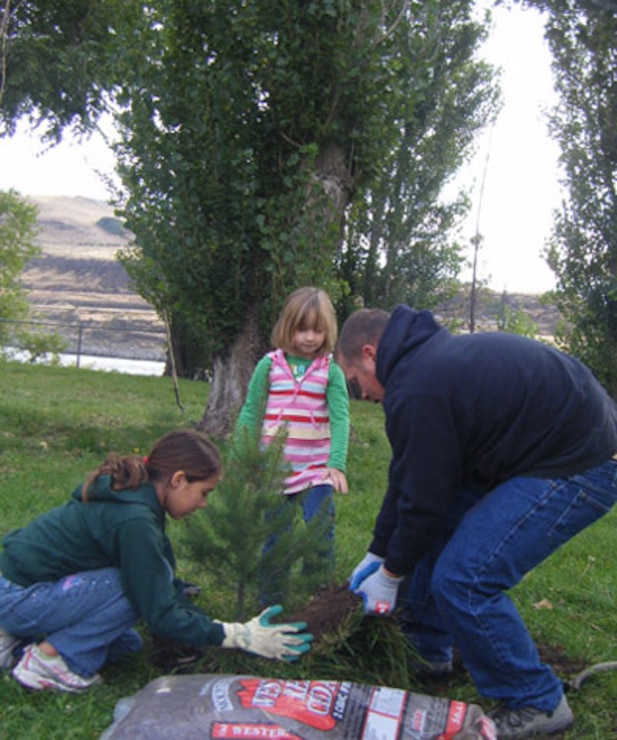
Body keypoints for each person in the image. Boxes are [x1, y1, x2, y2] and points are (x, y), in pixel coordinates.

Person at [335, 304, 617, 738]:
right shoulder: (420, 368)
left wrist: (390, 574)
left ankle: (536, 700)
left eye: (356, 381)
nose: (364, 394)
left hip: (579, 460)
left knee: (465, 578)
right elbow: (408, 479)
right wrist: (378, 548)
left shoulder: (419, 388)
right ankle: (428, 649)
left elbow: (423, 502)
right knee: (437, 532)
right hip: (538, 444)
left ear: (370, 354)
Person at [0, 429, 313, 692]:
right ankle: (45, 662)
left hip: (24, 588)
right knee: (131, 590)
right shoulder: (134, 519)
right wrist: (236, 636)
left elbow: (168, 585)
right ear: (178, 480)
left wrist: (224, 629)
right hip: (19, 594)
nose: (204, 504)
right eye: (204, 492)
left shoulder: (140, 499)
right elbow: (157, 608)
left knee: (127, 644)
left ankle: (12, 642)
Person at [236, 286, 350, 599]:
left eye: (318, 329)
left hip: (316, 471)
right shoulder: (269, 366)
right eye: (302, 329)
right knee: (276, 536)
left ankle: (318, 597)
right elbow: (251, 411)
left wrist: (335, 465)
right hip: (274, 470)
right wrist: (244, 457)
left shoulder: (331, 372)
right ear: (288, 327)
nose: (310, 337)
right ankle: (270, 603)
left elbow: (341, 419)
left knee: (320, 533)